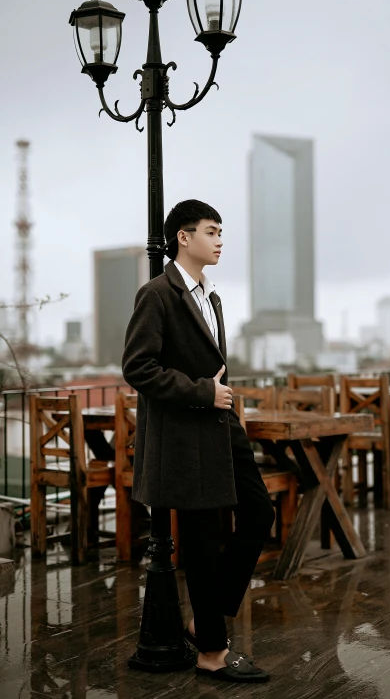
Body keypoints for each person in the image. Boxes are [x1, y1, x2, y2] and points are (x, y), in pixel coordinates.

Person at [122, 199, 274, 683]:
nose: (220, 239)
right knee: (205, 543)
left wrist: (218, 396)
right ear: (183, 238)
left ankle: (203, 619)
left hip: (223, 425)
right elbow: (138, 368)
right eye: (211, 231)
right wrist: (203, 392)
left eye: (221, 231)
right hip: (188, 436)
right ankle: (211, 650)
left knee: (258, 512)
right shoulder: (158, 294)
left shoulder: (212, 296)